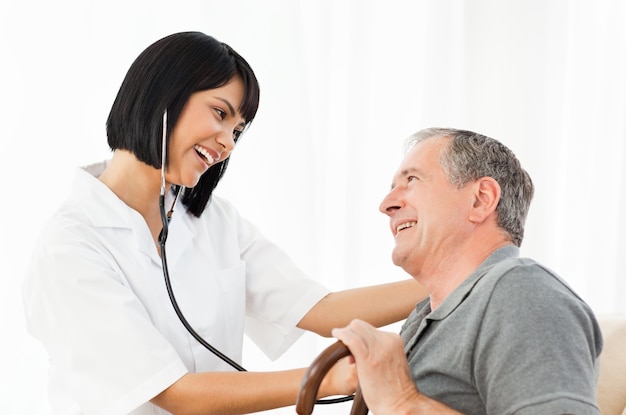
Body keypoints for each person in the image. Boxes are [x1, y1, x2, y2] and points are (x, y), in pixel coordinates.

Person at [22, 32, 428, 415]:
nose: (228, 143)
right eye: (219, 113)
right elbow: (173, 393)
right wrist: (325, 379)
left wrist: (458, 278)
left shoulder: (214, 220)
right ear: (163, 94)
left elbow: (322, 310)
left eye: (236, 130)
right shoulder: (72, 245)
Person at [333, 128, 603, 414]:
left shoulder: (522, 292)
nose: (387, 205)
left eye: (411, 179)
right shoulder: (426, 317)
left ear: (480, 199)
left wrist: (403, 402)